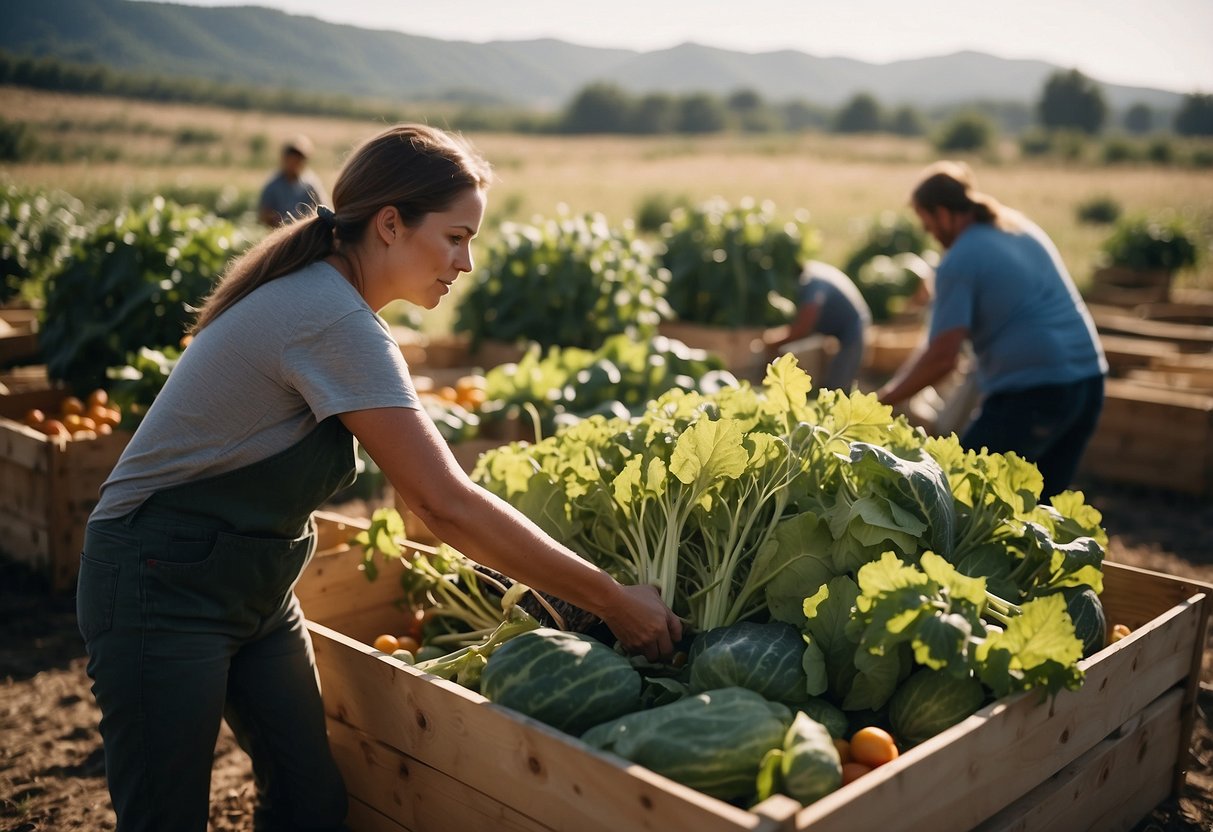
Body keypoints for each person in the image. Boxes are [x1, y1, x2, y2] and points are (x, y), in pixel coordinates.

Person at [76, 124, 684, 832]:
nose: (466, 262)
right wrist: (611, 600)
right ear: (390, 224)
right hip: (159, 582)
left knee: (311, 803)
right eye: (456, 237)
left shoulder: (329, 301)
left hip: (256, 588)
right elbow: (444, 504)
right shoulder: (329, 317)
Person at [876, 161, 1108, 497]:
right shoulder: (1018, 226)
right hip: (1088, 383)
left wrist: (884, 400)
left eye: (929, 226)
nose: (932, 236)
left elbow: (943, 358)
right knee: (1038, 510)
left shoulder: (960, 261)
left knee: (957, 494)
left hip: (1036, 393)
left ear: (942, 213)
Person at [761, 259, 871, 391]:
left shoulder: (812, 283)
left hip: (854, 327)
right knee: (835, 380)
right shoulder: (811, 272)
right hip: (845, 327)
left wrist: (771, 342)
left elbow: (803, 327)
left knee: (838, 385)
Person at [258, 134, 329, 228]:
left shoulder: (311, 184)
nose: (294, 163)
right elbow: (263, 215)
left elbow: (325, 209)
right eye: (291, 158)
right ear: (284, 159)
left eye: (299, 159)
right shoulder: (273, 185)